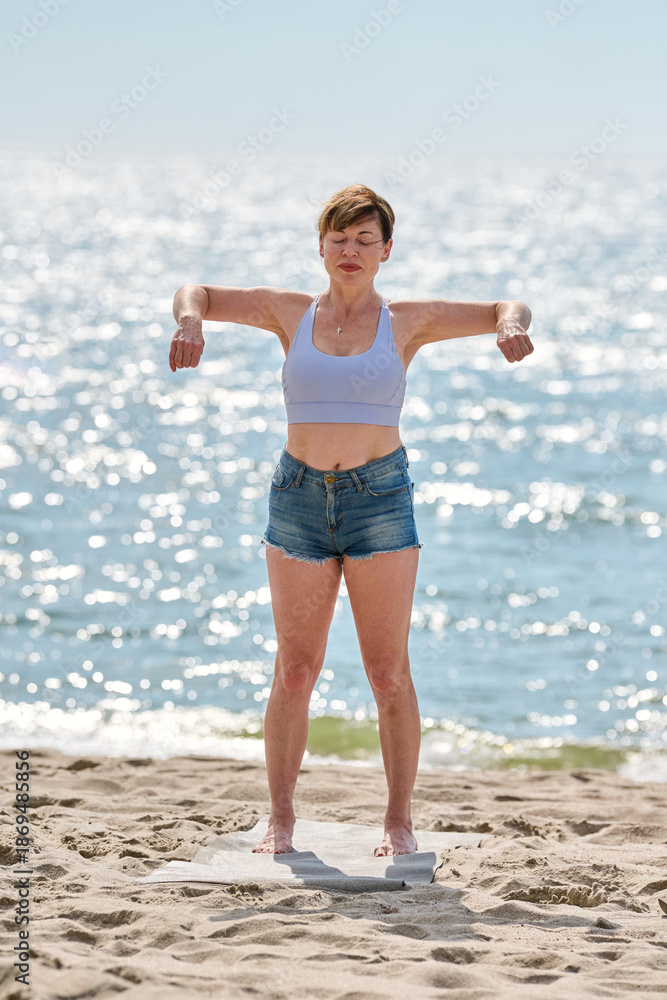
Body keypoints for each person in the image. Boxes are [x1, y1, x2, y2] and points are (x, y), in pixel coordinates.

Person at [169, 183, 533, 857]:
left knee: (387, 672)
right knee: (295, 670)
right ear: (321, 246)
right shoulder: (288, 312)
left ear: (385, 250)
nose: (350, 249)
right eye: (339, 237)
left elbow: (504, 307)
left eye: (365, 239)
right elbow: (196, 292)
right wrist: (190, 322)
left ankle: (397, 822)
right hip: (298, 497)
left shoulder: (408, 320)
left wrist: (510, 327)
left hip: (378, 499)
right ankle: (281, 819)